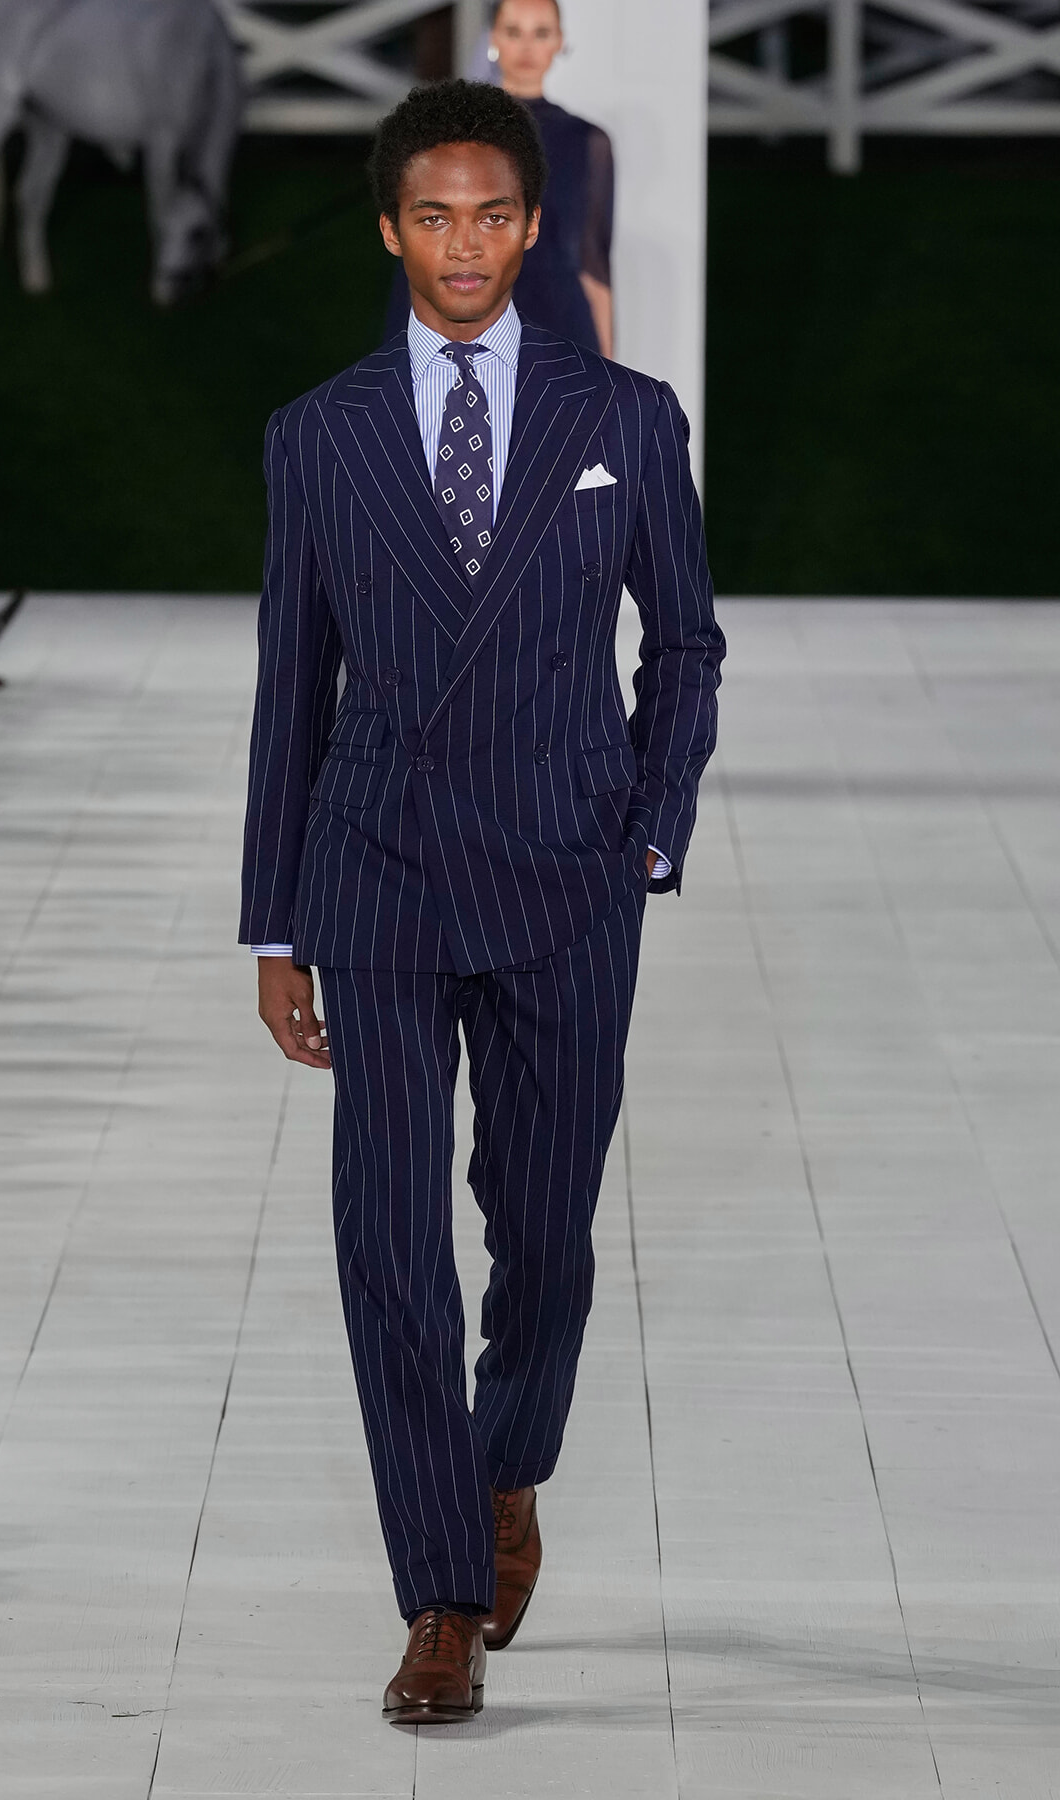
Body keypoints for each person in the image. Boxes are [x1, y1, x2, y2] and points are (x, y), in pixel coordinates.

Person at [240, 79, 724, 1726]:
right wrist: (272, 921)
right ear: (392, 230)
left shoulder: (630, 420)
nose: (463, 244)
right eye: (431, 216)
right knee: (385, 1243)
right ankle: (440, 1593)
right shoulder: (317, 434)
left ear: (534, 228)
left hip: (570, 880)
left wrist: (651, 832)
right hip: (372, 878)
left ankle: (507, 1464)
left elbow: (689, 642)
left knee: (544, 1240)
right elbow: (289, 690)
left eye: (491, 214)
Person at [385, 0, 614, 356]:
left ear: (559, 42)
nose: (526, 47)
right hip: (461, 301)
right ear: (494, 39)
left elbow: (594, 260)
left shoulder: (587, 140)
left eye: (540, 33)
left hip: (560, 320)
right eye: (513, 31)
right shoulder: (451, 133)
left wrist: (609, 370)